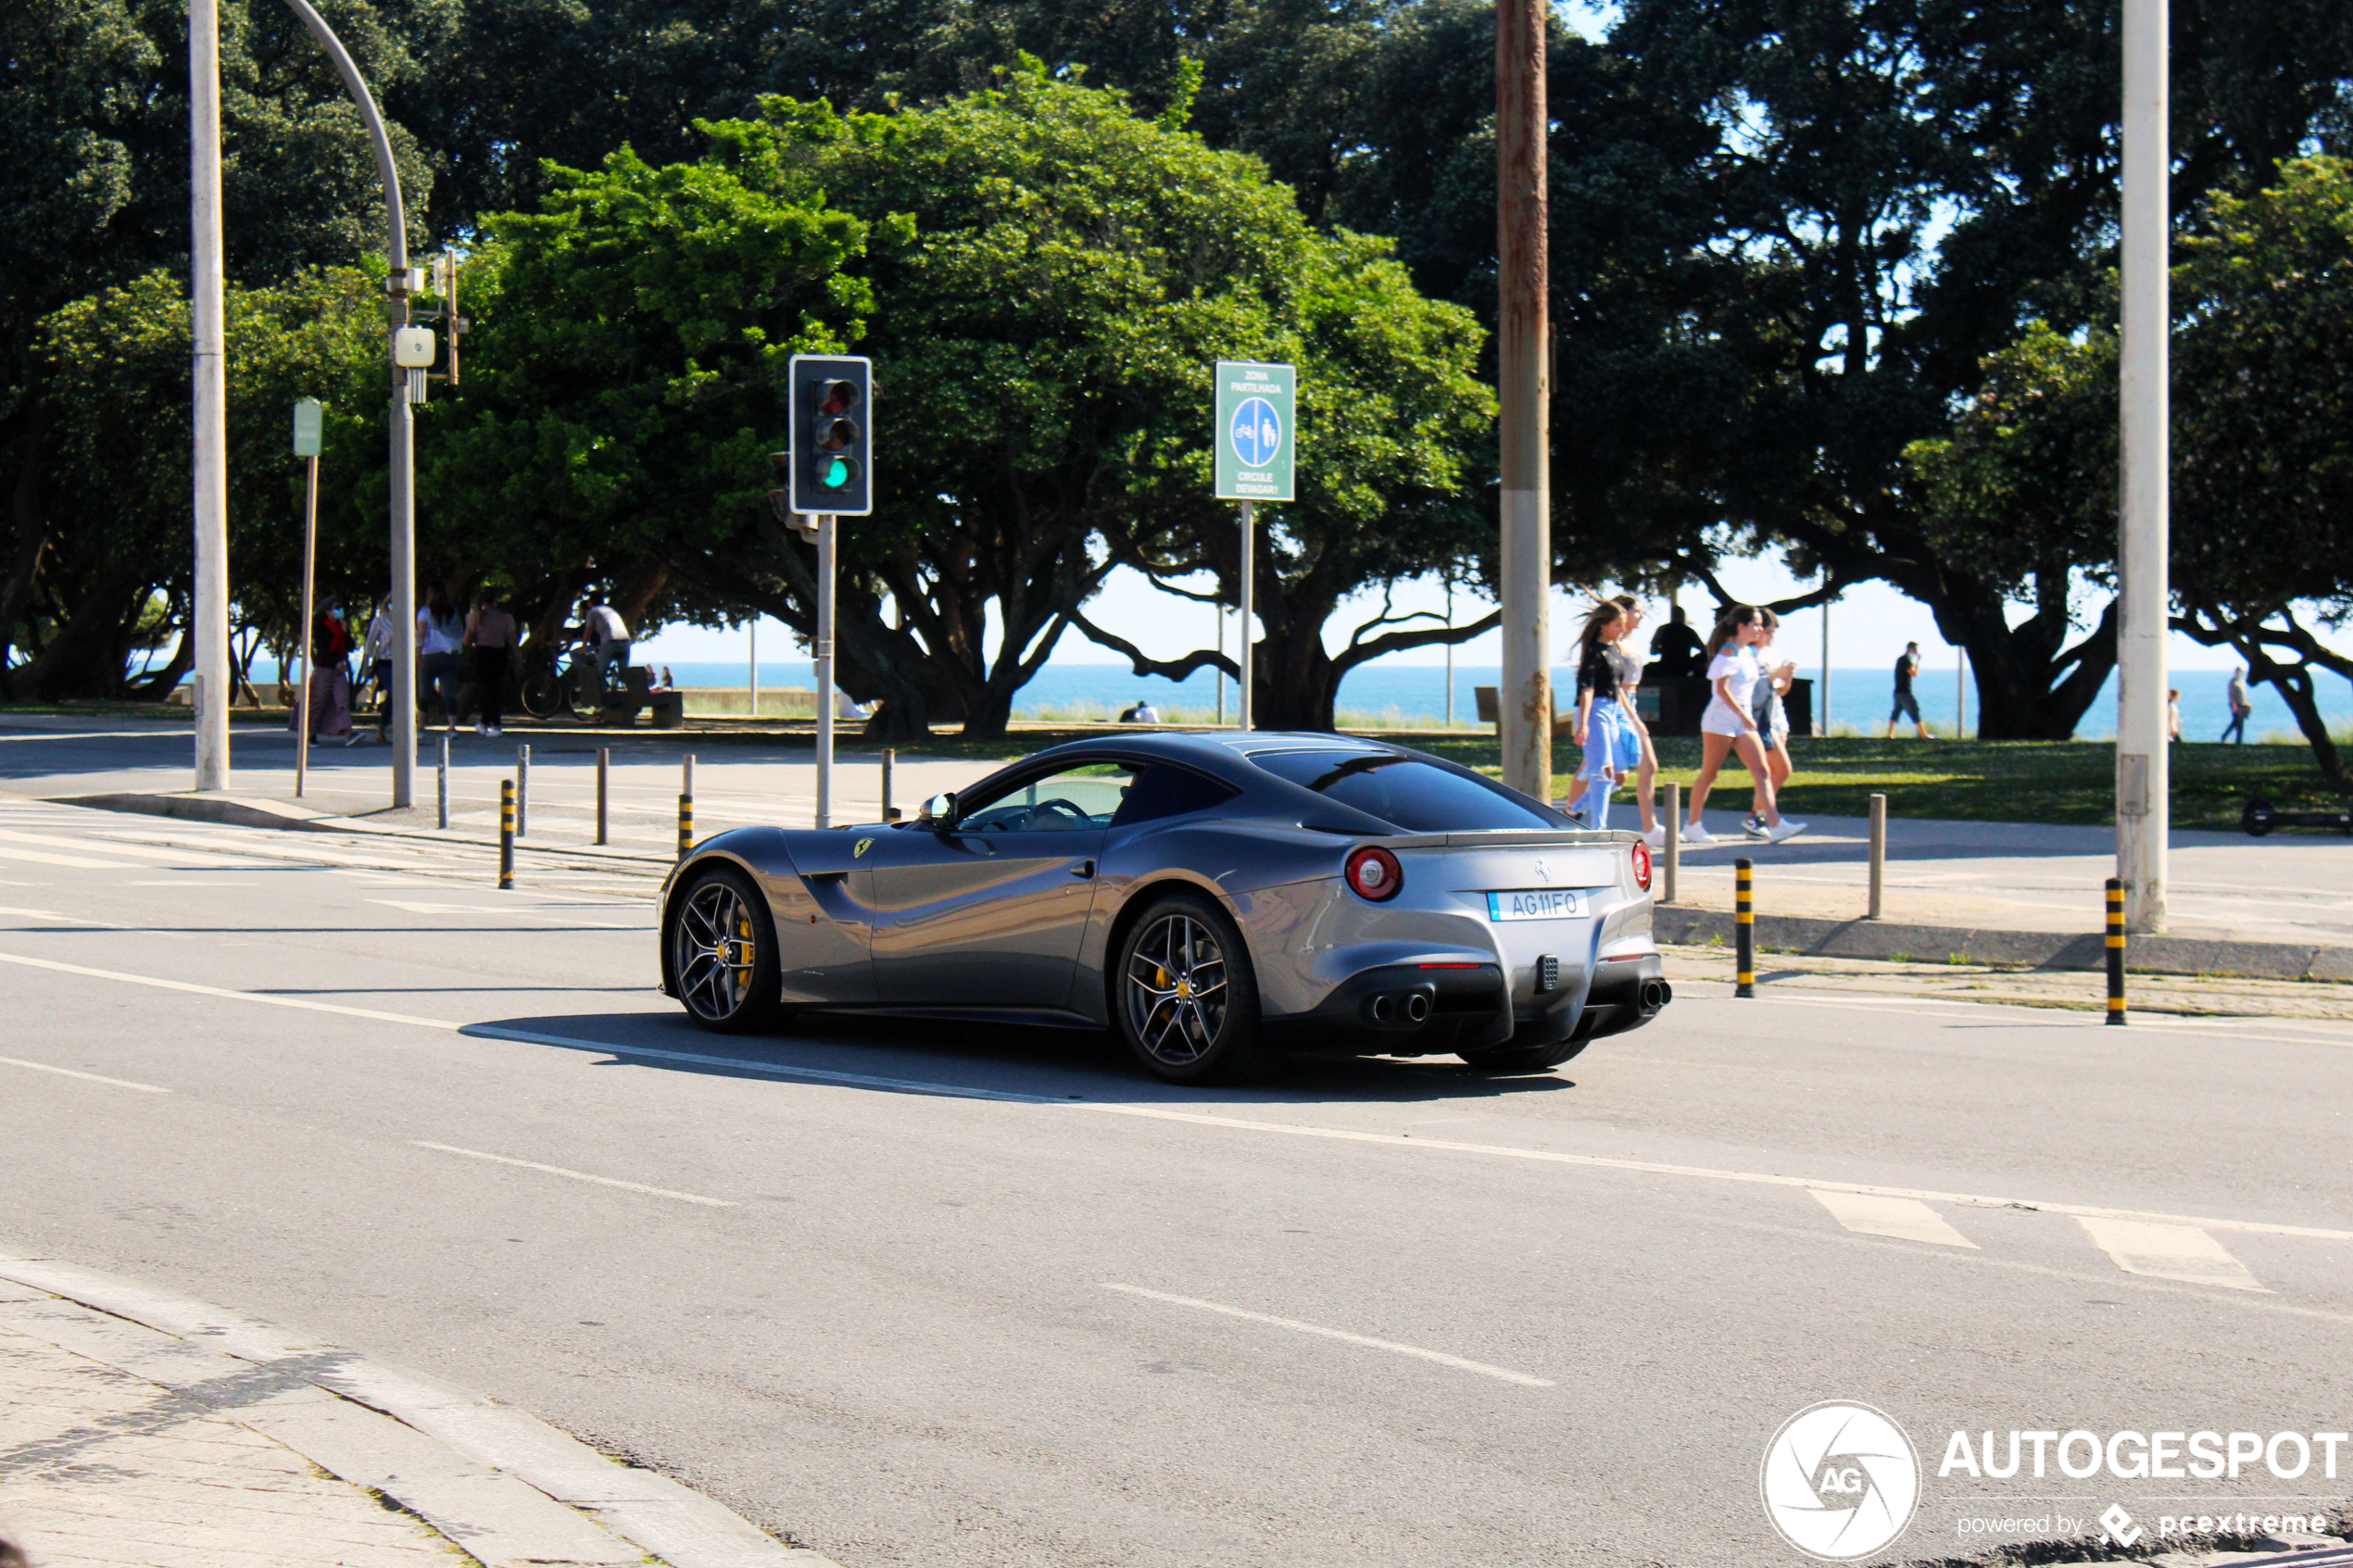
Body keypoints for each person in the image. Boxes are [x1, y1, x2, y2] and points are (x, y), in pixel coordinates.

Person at [1682, 606, 1806, 844]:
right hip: (1721, 721)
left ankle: (1776, 824)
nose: (1760, 629)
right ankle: (1692, 825)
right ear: (1742, 627)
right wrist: (1743, 714)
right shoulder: (1728, 652)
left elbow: (1759, 686)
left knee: (1762, 771)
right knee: (1710, 774)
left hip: (1743, 721)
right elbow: (1721, 690)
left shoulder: (1749, 653)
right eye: (1756, 625)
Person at [1569, 600, 1641, 829]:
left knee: (1620, 775)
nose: (1622, 630)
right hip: (1595, 712)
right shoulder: (1594, 654)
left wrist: (1631, 718)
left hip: (1612, 711)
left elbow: (1618, 688)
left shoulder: (1615, 650)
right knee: (1603, 774)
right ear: (1603, 626)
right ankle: (1598, 828)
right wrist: (1583, 725)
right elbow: (1587, 690)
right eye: (1617, 625)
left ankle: (1573, 809)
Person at [1607, 594, 1664, 845]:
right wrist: (1634, 719)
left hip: (1630, 703)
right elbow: (1615, 684)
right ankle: (1571, 813)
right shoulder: (1615, 643)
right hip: (1619, 706)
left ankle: (1650, 827)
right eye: (1637, 611)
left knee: (1647, 766)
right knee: (1599, 770)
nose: (1641, 616)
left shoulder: (1630, 640)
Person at [1741, 610, 1798, 837]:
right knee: (1779, 769)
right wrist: (1776, 676)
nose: (1770, 637)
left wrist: (1787, 676)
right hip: (1759, 719)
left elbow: (1780, 691)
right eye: (1767, 632)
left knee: (1771, 772)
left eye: (1772, 633)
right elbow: (1753, 690)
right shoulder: (1748, 655)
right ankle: (1756, 816)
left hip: (1775, 716)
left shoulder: (1772, 654)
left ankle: (1757, 818)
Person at [462, 589, 517, 736]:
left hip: (482, 653)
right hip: (500, 653)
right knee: (493, 688)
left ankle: (495, 723)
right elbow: (512, 639)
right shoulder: (506, 618)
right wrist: (518, 658)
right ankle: (485, 722)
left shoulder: (475, 617)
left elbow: (467, 639)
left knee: (486, 688)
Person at [303, 602, 354, 741]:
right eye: (336, 608)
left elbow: (350, 646)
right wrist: (335, 662)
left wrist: (345, 631)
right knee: (318, 701)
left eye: (340, 607)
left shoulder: (340, 627)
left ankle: (349, 733)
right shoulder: (321, 628)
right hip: (324, 669)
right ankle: (310, 733)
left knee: (342, 700)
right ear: (327, 612)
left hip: (339, 671)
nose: (340, 610)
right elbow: (322, 650)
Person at [417, 582, 465, 729]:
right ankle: (452, 726)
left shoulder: (425, 612)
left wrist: (417, 654)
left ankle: (421, 725)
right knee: (449, 692)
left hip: (429, 655)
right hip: (449, 655)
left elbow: (421, 635)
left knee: (424, 692)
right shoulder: (452, 611)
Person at [360, 595, 396, 744]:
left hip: (401, 663)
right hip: (385, 662)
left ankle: (392, 726)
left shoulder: (406, 620)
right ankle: (382, 727)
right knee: (394, 692)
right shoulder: (380, 621)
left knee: (401, 696)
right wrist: (365, 666)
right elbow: (369, 644)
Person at [581, 599, 631, 697]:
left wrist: (583, 649)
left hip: (610, 642)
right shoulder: (611, 610)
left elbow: (588, 632)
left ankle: (604, 703)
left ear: (590, 603)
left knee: (599, 674)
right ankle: (635, 696)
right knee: (623, 674)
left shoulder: (592, 611)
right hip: (626, 641)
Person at [1884, 641, 1933, 739]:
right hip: (1905, 692)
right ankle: (1924, 735)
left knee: (1896, 713)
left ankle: (1890, 734)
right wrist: (1918, 662)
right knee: (1914, 711)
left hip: (1898, 692)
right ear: (1910, 649)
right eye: (1915, 649)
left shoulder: (1901, 660)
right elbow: (1914, 674)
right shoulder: (1906, 660)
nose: (1916, 652)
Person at [1648, 602, 1706, 680]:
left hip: (1665, 667)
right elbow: (1704, 649)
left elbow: (1653, 651)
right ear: (1683, 617)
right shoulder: (1688, 631)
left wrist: (1666, 650)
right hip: (1683, 668)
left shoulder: (1662, 629)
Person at [2221, 667, 2251, 744]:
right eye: (2238, 672)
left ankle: (2238, 741)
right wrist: (2234, 705)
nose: (2239, 674)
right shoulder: (2233, 682)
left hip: (2241, 704)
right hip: (2235, 704)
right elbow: (2231, 695)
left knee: (2239, 723)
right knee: (2237, 722)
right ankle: (2225, 736)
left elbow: (2242, 694)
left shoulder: (2241, 681)